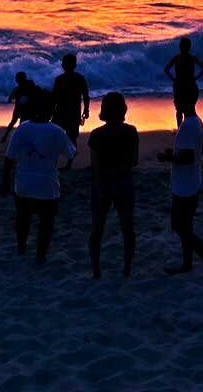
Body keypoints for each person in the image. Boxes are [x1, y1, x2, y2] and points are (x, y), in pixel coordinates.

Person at [0, 94, 76, 265]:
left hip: (24, 182)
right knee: (46, 221)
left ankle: (21, 247)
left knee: (23, 217)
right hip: (47, 184)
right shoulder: (57, 131)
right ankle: (40, 255)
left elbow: (9, 158)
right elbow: (71, 153)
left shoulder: (22, 129)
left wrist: (5, 181)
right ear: (53, 110)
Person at [158, 93, 203, 284]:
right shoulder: (197, 122)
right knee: (185, 226)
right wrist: (176, 153)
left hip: (184, 186)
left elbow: (188, 157)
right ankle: (187, 263)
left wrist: (168, 157)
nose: (174, 100)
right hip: (191, 181)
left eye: (177, 98)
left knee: (181, 228)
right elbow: (198, 151)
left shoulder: (187, 125)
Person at [87, 92, 139, 279]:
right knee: (127, 228)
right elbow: (134, 161)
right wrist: (116, 171)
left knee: (97, 229)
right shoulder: (131, 131)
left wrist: (102, 182)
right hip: (124, 182)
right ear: (123, 110)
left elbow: (95, 166)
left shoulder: (96, 135)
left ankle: (96, 270)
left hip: (102, 183)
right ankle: (127, 267)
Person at [51, 53, 90, 166]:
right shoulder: (80, 78)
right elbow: (86, 96)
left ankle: (56, 161)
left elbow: (54, 97)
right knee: (72, 137)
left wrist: (51, 111)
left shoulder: (59, 79)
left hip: (60, 112)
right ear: (75, 65)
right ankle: (69, 163)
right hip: (73, 112)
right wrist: (86, 110)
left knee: (56, 136)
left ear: (63, 65)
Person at [164, 37, 203, 128]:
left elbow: (166, 70)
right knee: (189, 111)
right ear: (189, 47)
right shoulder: (192, 58)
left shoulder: (176, 58)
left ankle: (180, 129)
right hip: (191, 86)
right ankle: (189, 128)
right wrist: (195, 78)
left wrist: (174, 79)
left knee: (179, 110)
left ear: (180, 47)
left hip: (180, 86)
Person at [2, 71, 39, 141]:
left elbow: (10, 99)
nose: (16, 80)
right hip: (26, 108)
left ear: (20, 79)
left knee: (16, 122)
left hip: (23, 109)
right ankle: (6, 136)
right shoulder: (30, 85)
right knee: (21, 122)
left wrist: (10, 98)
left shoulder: (19, 88)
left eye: (17, 78)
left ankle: (6, 136)